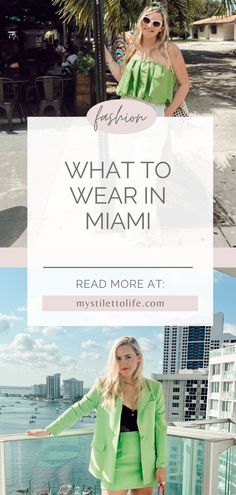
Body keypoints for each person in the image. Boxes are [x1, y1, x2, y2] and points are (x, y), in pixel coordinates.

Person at [27, 336, 168, 494]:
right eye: (118, 358)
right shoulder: (104, 386)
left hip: (145, 464)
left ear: (139, 358)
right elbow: (78, 409)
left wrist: (161, 465)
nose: (123, 363)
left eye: (128, 357)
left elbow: (160, 429)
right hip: (113, 463)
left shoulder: (154, 388)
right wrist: (50, 430)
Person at [104, 1, 190, 116]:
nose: (149, 25)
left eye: (156, 23)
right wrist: (105, 54)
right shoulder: (132, 48)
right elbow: (121, 77)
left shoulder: (170, 50)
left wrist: (167, 114)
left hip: (155, 115)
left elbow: (185, 85)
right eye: (146, 20)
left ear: (161, 28)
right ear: (141, 21)